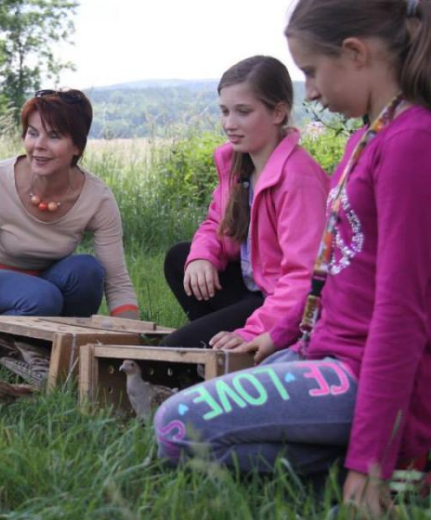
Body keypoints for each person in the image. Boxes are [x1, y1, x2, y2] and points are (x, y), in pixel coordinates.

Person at [155, 0, 431, 516]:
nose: (312, 92)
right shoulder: (364, 141)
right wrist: (282, 335)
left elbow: (402, 315)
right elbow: (334, 283)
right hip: (322, 350)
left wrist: (369, 463)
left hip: (361, 370)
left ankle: (391, 468)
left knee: (175, 427)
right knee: (208, 399)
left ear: (354, 53)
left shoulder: (412, 143)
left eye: (310, 71)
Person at [161, 56, 328, 350]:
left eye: (243, 112)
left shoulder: (299, 179)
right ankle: (217, 348)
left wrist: (254, 331)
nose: (229, 124)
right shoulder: (238, 163)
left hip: (283, 303)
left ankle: (233, 351)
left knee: (168, 353)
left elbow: (305, 277)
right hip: (253, 287)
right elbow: (216, 223)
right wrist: (202, 256)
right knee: (181, 258)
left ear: (278, 112)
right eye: (224, 111)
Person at [0, 89, 139, 319]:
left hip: (45, 280)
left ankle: (65, 346)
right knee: (42, 298)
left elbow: (117, 279)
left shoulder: (97, 198)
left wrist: (131, 341)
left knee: (87, 271)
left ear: (77, 146)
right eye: (32, 133)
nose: (39, 145)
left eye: (54, 136)